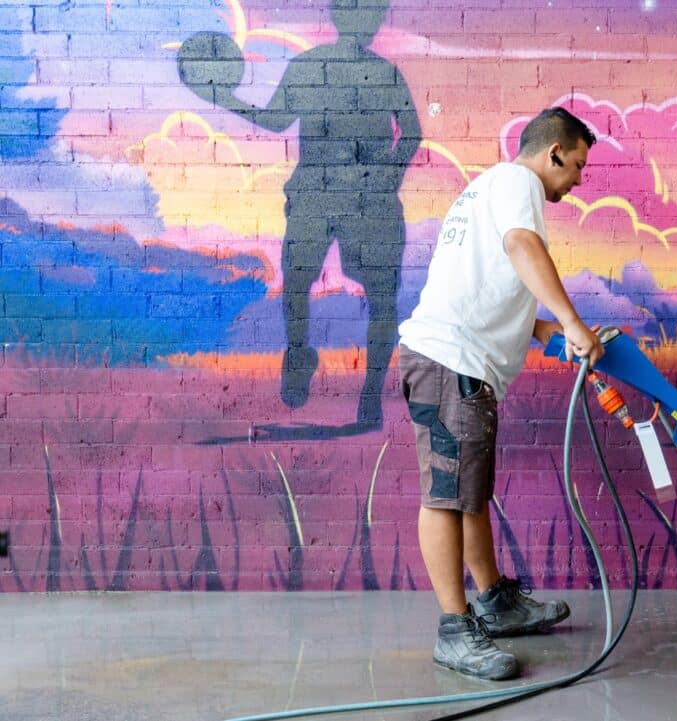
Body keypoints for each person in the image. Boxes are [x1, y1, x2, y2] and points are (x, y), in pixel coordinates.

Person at [397, 107, 605, 680]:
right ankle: (454, 631)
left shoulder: (487, 187)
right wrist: (573, 321)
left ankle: (494, 602)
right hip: (450, 363)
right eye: (577, 165)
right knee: (445, 496)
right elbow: (520, 247)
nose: (577, 180)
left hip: (454, 362)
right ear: (554, 152)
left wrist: (543, 329)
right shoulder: (518, 182)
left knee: (468, 494)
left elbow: (486, 285)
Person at [190, 0, 421, 430]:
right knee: (301, 282)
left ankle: (368, 393)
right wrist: (225, 98)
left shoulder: (373, 72)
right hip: (322, 192)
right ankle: (301, 355)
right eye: (364, 13)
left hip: (362, 198)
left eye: (374, 13)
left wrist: (386, 177)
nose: (370, 21)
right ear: (342, 17)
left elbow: (411, 133)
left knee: (374, 296)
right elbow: (279, 120)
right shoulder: (323, 67)